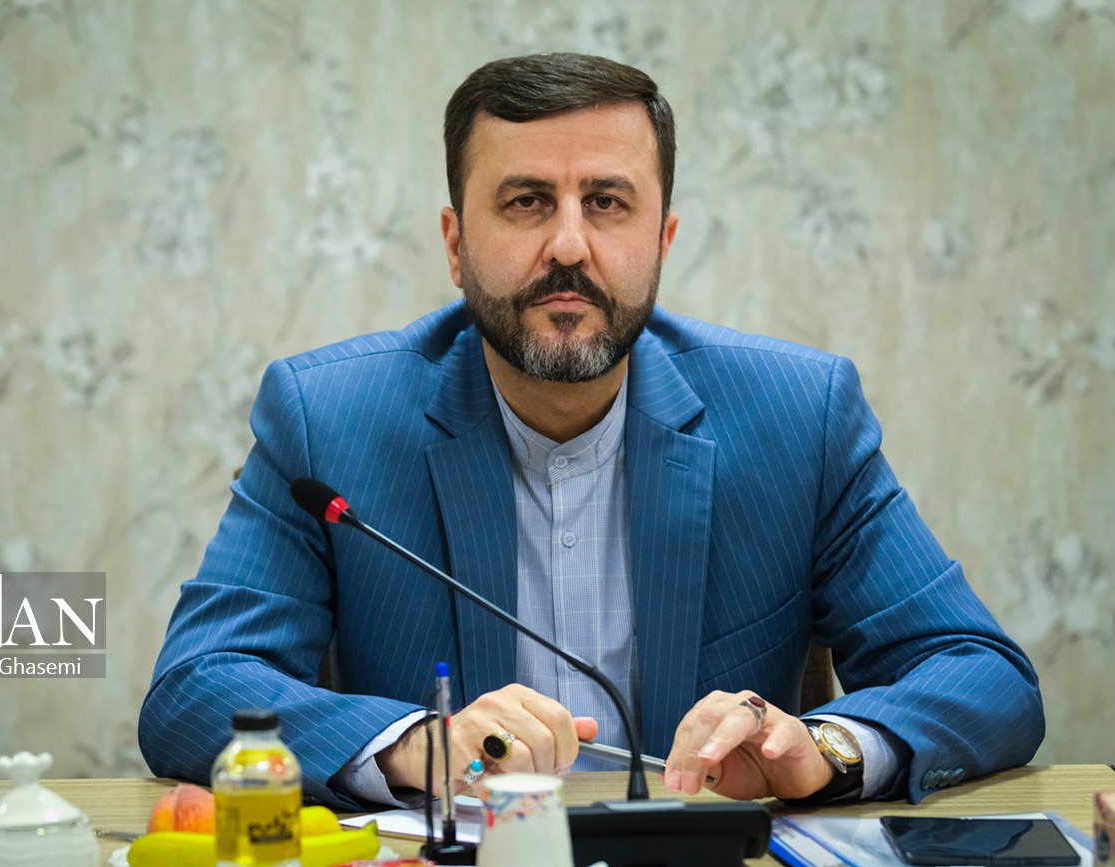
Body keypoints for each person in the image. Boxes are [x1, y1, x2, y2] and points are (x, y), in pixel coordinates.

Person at [139, 53, 1044, 811]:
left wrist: (827, 749)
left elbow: (980, 671)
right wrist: (416, 744)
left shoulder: (799, 416)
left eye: (607, 202)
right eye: (527, 201)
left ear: (663, 240)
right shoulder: (326, 417)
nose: (569, 245)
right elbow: (196, 685)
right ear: (455, 244)